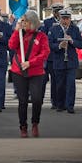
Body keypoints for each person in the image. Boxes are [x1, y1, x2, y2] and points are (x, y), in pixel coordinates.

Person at [8, 10, 50, 138]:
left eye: (25, 21)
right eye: (23, 21)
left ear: (32, 23)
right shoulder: (19, 33)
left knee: (37, 99)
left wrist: (30, 63)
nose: (23, 24)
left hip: (36, 71)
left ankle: (35, 123)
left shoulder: (41, 36)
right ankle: (23, 126)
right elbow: (11, 45)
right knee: (23, 101)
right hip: (18, 71)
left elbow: (45, 53)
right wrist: (16, 31)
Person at [47, 8, 82, 114]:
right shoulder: (53, 29)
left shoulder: (74, 29)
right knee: (60, 84)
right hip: (59, 61)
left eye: (67, 18)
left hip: (71, 61)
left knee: (71, 84)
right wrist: (59, 46)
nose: (65, 21)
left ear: (70, 19)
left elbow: (81, 44)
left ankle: (70, 106)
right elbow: (49, 44)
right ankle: (60, 104)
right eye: (63, 18)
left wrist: (72, 41)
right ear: (59, 18)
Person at [40, 2, 64, 109]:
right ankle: (39, 100)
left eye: (59, 11)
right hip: (47, 56)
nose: (58, 13)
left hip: (57, 56)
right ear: (53, 12)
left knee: (55, 81)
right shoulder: (47, 22)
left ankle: (55, 102)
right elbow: (42, 36)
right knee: (43, 80)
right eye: (56, 11)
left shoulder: (64, 22)